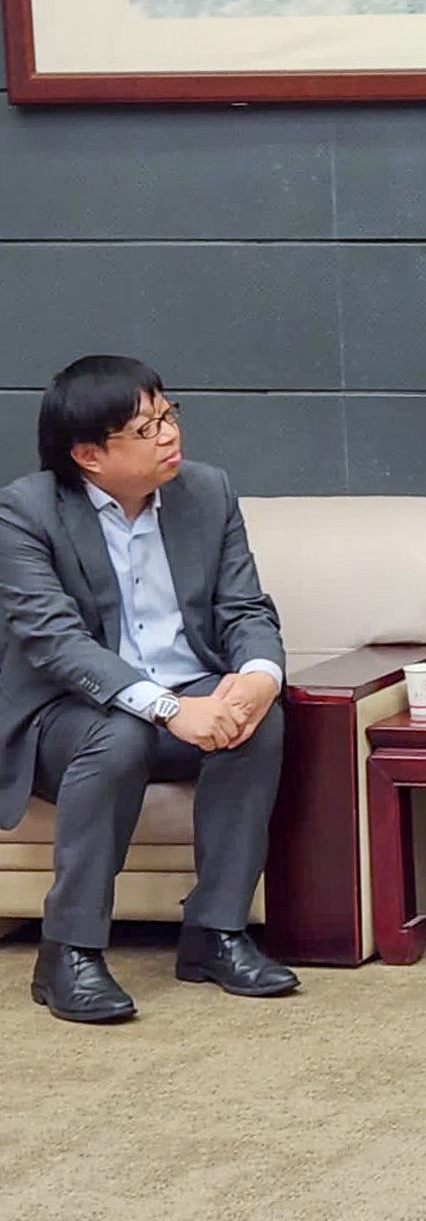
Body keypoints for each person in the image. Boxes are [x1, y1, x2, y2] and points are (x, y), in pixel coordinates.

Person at [0, 356, 298, 1024]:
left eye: (169, 416)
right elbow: (55, 642)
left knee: (259, 721)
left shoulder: (207, 491)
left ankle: (216, 934)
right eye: (145, 428)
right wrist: (169, 709)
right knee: (122, 732)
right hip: (66, 716)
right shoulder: (26, 511)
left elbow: (245, 608)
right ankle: (68, 952)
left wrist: (255, 679)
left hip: (184, 692)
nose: (169, 435)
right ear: (88, 455)